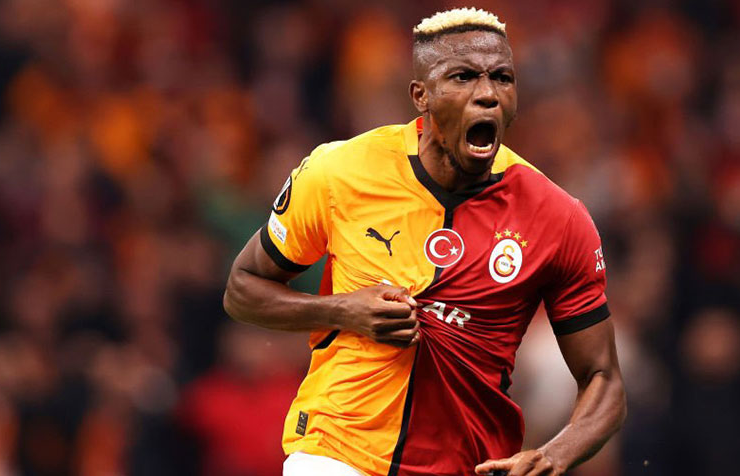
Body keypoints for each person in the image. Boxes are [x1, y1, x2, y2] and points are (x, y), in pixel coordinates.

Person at [223, 7, 626, 476]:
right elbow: (243, 289)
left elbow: (604, 379)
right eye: (463, 77)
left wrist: (554, 455)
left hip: (468, 463)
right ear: (421, 95)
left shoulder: (558, 218)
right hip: (336, 450)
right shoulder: (339, 172)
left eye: (502, 78)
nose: (487, 94)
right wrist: (343, 310)